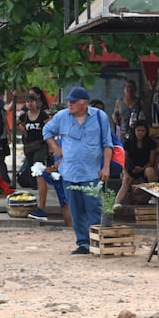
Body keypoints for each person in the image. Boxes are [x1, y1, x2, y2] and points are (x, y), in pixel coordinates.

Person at [43, 86, 113, 255]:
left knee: (94, 208)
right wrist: (56, 148)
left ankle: (96, 242)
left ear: (84, 103)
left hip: (91, 172)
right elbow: (46, 131)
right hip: (69, 172)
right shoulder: (62, 117)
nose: (70, 104)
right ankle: (83, 243)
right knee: (75, 209)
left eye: (73, 101)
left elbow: (107, 143)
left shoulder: (99, 117)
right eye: (69, 101)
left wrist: (106, 167)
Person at [17, 89, 51, 221]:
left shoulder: (42, 115)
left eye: (32, 101)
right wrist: (22, 129)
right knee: (31, 166)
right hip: (29, 146)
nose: (30, 104)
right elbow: (16, 123)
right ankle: (35, 186)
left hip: (41, 144)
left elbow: (49, 124)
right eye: (27, 101)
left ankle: (41, 185)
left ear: (37, 103)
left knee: (38, 164)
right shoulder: (24, 116)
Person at [113, 121, 158, 208]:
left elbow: (151, 161)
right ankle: (117, 203)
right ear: (134, 131)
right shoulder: (128, 143)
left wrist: (142, 169)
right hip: (130, 168)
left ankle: (154, 196)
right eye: (138, 130)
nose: (140, 133)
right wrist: (125, 173)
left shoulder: (151, 143)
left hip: (145, 168)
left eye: (143, 131)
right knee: (126, 180)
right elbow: (123, 160)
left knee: (150, 171)